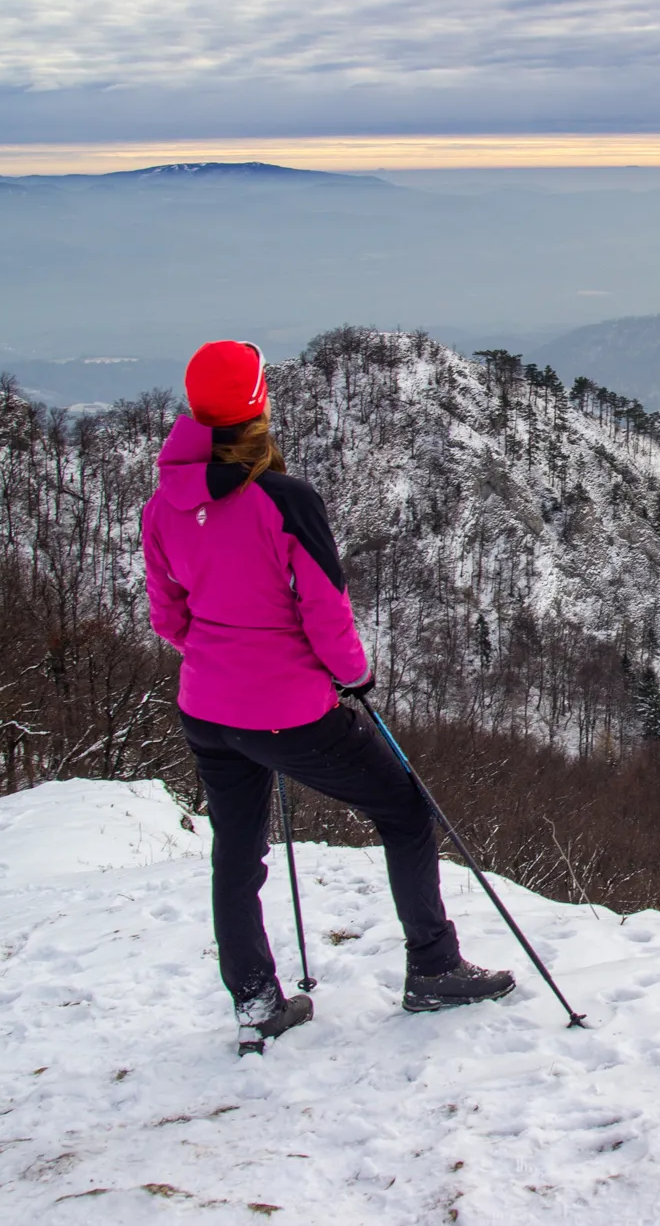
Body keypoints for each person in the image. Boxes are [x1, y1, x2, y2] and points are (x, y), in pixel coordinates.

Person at [142, 340, 513, 1054]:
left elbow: (170, 620)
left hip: (207, 710)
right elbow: (325, 608)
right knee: (404, 810)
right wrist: (353, 675)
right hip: (289, 710)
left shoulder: (161, 507)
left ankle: (255, 1000)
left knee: (237, 854)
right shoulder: (286, 501)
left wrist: (224, 654)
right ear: (258, 408)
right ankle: (433, 966)